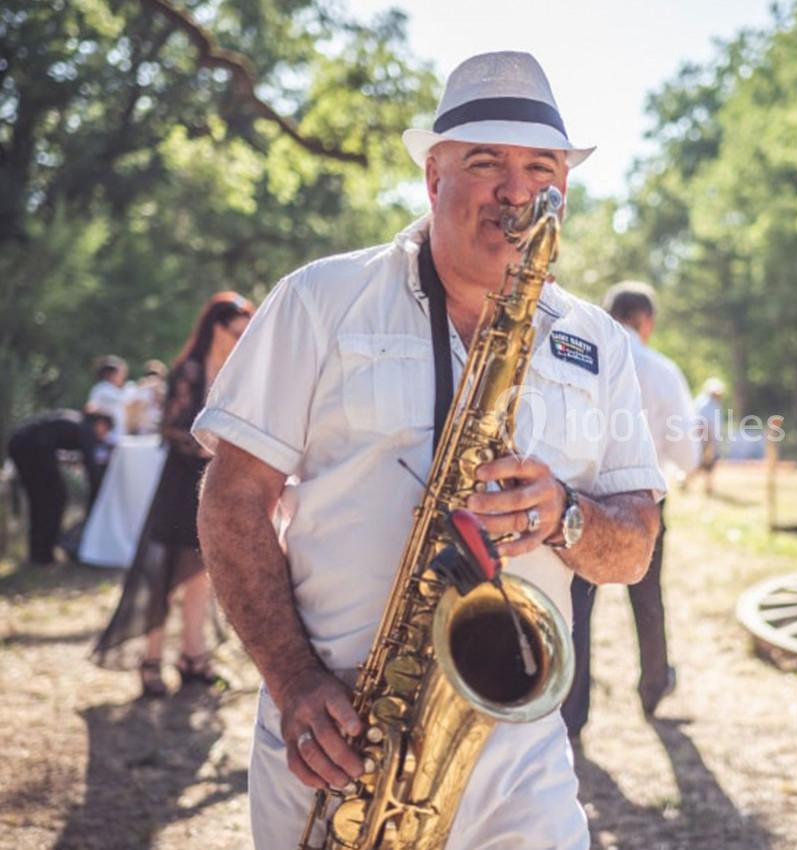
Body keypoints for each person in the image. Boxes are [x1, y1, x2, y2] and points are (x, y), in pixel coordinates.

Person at [193, 52, 664, 850]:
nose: (516, 190)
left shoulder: (596, 341)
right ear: (434, 179)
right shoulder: (321, 298)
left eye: (539, 168)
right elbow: (232, 498)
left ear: (563, 190)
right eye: (486, 163)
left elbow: (636, 548)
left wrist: (567, 514)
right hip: (338, 745)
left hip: (518, 750)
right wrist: (296, 681)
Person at [92, 292, 254, 697]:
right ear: (217, 328)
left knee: (202, 572)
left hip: (214, 481)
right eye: (237, 332)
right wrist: (206, 445)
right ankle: (151, 660)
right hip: (182, 481)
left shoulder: (238, 371)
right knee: (163, 575)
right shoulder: (190, 370)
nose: (242, 339)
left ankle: (192, 657)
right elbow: (171, 430)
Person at [563, 281, 698, 738]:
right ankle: (654, 686)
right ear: (648, 323)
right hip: (646, 500)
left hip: (581, 497)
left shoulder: (577, 358)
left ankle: (572, 712)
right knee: (648, 599)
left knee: (577, 605)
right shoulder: (663, 370)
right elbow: (687, 455)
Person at [5, 407, 113, 565]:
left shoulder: (75, 421)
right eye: (106, 431)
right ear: (101, 424)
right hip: (33, 447)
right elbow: (90, 467)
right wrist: (97, 496)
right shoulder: (86, 428)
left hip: (19, 443)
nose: (103, 436)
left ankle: (38, 554)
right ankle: (45, 553)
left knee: (40, 501)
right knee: (56, 497)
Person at [85, 355, 128, 501]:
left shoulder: (117, 392)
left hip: (115, 442)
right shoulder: (101, 390)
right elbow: (92, 409)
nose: (122, 377)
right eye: (120, 373)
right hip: (105, 444)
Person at [682, 377, 725, 495]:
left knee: (706, 464)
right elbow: (705, 424)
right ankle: (686, 482)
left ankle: (705, 486)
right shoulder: (708, 405)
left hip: (703, 438)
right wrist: (709, 443)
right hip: (705, 439)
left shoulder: (703, 402)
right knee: (702, 463)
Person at [122, 359, 168, 435]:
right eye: (150, 374)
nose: (153, 378)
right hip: (140, 433)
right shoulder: (137, 390)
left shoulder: (165, 390)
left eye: (157, 375)